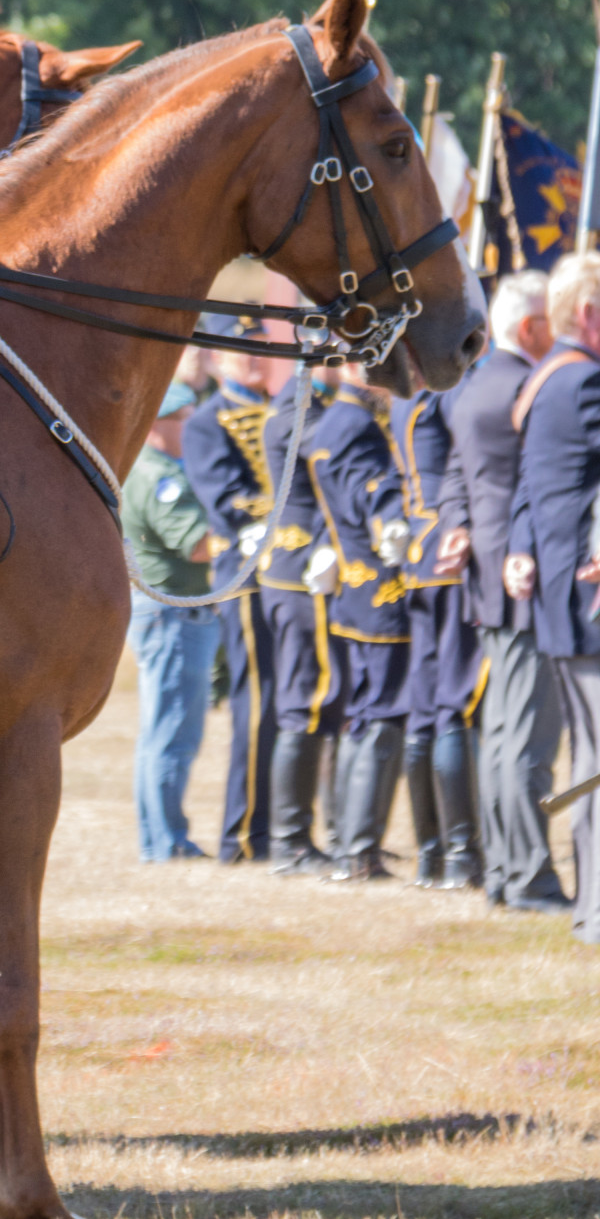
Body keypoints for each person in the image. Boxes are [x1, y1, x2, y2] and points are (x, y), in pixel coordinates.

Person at [437, 269, 566, 913]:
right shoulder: (529, 388)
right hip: (527, 574)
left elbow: (456, 474)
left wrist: (455, 525)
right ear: (528, 328)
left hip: (488, 576)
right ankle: (530, 878)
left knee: (503, 734)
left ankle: (505, 871)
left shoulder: (475, 386)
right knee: (529, 738)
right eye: (553, 319)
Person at [505, 250, 600, 942]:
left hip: (566, 603)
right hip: (589, 604)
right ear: (589, 314)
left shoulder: (546, 378)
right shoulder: (584, 383)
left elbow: (529, 491)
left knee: (590, 764)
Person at [305, 362, 411, 881]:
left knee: (364, 712)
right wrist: (390, 521)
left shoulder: (333, 420)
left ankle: (352, 839)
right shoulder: (356, 425)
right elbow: (370, 492)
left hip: (352, 585)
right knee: (382, 711)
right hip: (379, 588)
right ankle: (359, 848)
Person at [182, 319, 276, 862]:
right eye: (243, 350)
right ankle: (242, 835)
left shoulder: (281, 413)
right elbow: (230, 501)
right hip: (246, 573)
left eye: (260, 348)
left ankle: (286, 825)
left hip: (292, 571)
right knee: (256, 702)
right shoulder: (205, 422)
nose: (255, 358)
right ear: (217, 361)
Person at [393, 386, 486, 889]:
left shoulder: (405, 396)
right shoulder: (446, 390)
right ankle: (461, 854)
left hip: (418, 551)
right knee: (454, 705)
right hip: (448, 554)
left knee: (425, 708)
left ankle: (430, 854)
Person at [124, 382, 219, 861]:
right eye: (182, 419)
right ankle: (166, 842)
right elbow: (198, 544)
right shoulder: (161, 475)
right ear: (157, 424)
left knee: (163, 731)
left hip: (171, 611)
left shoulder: (158, 469)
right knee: (172, 734)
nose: (191, 428)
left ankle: (160, 838)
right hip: (176, 612)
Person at [255, 362, 341, 872]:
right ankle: (291, 842)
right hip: (302, 570)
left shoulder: (298, 408)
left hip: (295, 568)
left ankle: (306, 835)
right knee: (304, 704)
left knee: (308, 703)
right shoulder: (300, 414)